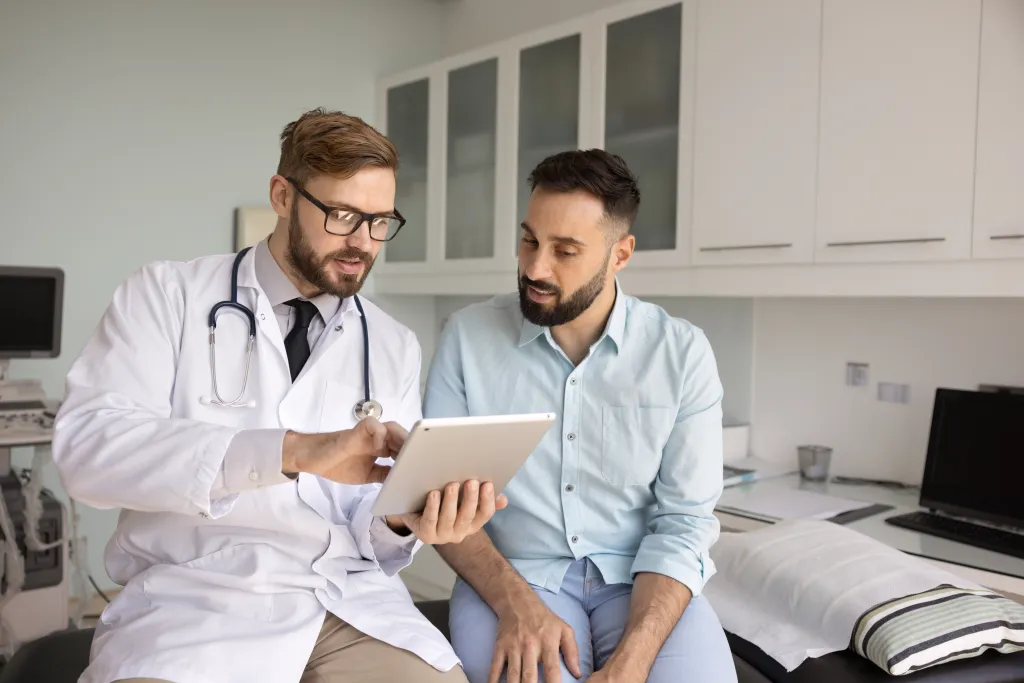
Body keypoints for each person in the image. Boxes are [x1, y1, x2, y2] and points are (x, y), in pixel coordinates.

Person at [51, 108, 504, 683]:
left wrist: (402, 519)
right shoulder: (166, 296)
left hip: (345, 605)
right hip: (194, 602)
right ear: (283, 196)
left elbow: (372, 524)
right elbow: (88, 451)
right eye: (342, 216)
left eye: (380, 221)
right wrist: (287, 452)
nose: (363, 243)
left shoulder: (392, 343)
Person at [423, 149, 737, 683]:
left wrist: (632, 662)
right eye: (529, 241)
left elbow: (684, 521)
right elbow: (438, 499)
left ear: (620, 255)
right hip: (515, 575)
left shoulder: (682, 353)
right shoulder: (467, 338)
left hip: (640, 579)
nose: (534, 267)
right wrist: (513, 601)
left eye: (565, 251)